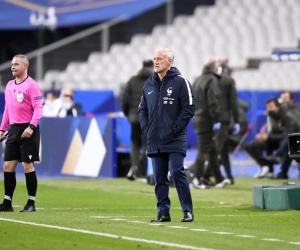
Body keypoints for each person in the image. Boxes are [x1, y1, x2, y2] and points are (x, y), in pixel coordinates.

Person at [139, 48, 195, 222]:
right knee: (159, 177)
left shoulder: (180, 82)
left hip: (174, 137)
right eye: (155, 59)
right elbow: (143, 109)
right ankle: (163, 212)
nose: (156, 62)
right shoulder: (148, 83)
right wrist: (147, 129)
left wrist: (175, 128)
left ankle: (187, 210)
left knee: (177, 172)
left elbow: (189, 108)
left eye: (160, 59)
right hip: (154, 138)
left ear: (169, 61)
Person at [0, 54, 43, 212]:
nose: (12, 67)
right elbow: (7, 110)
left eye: (16, 64)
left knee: (27, 166)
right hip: (13, 130)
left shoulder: (31, 85)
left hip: (28, 129)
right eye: (12, 64)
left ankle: (31, 203)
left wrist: (31, 127)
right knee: (8, 166)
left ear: (25, 66)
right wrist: (2, 129)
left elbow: (38, 108)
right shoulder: (10, 85)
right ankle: (7, 203)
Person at [191, 57, 225, 189]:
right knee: (203, 150)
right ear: (213, 68)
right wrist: (216, 119)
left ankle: (218, 178)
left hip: (197, 118)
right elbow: (213, 102)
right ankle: (196, 178)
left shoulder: (197, 80)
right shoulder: (212, 80)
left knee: (212, 149)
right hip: (207, 119)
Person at [121, 59, 154, 180]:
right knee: (147, 144)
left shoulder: (132, 80)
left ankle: (134, 167)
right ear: (152, 66)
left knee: (135, 143)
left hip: (134, 117)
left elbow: (124, 98)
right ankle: (143, 171)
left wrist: (128, 113)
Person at [214, 58, 240, 186]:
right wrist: (236, 120)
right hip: (223, 118)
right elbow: (233, 102)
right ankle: (209, 175)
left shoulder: (210, 79)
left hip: (210, 118)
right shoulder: (228, 80)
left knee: (220, 148)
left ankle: (226, 176)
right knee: (219, 148)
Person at [244, 98, 285, 178]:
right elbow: (271, 131)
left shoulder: (285, 116)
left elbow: (286, 134)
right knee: (249, 145)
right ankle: (265, 166)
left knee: (270, 141)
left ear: (278, 107)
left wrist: (268, 137)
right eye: (268, 107)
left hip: (283, 143)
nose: (269, 109)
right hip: (271, 140)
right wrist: (263, 136)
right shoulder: (270, 116)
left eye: (271, 106)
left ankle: (277, 171)